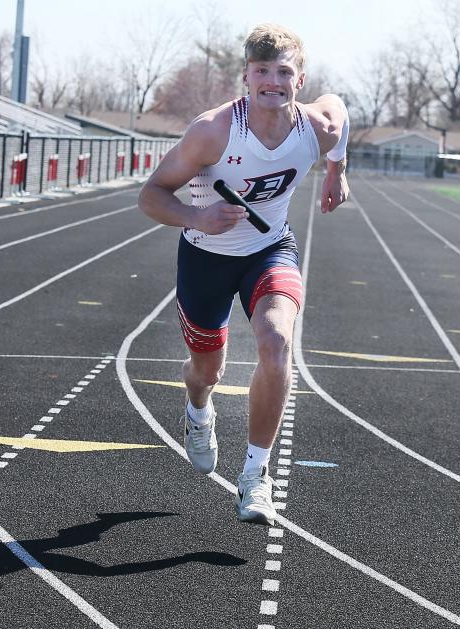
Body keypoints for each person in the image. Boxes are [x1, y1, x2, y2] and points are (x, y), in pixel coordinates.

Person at [138, 23, 349, 525]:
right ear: (246, 77)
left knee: (276, 342)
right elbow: (150, 195)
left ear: (300, 79)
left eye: (283, 72)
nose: (271, 81)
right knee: (207, 370)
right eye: (261, 72)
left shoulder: (316, 128)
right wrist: (196, 217)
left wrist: (339, 173)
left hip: (269, 249)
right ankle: (197, 409)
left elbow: (338, 108)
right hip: (205, 256)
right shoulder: (213, 130)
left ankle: (256, 476)